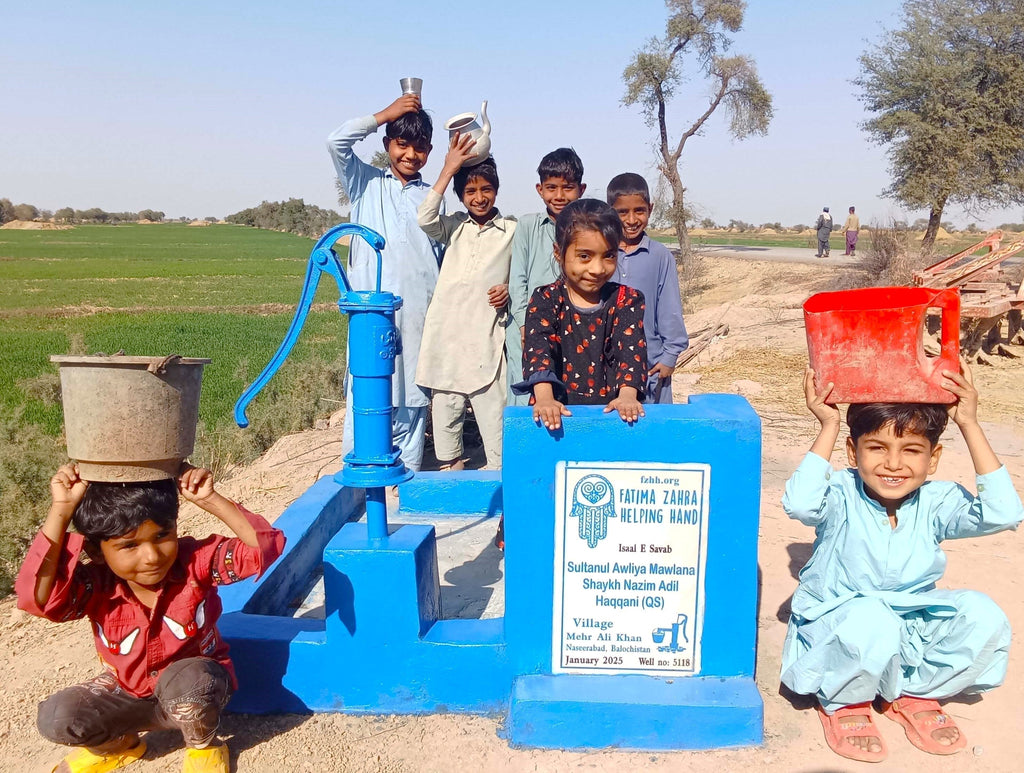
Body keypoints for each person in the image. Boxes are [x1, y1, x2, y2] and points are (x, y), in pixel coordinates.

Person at [781, 366, 1022, 763]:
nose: (893, 464)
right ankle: (844, 702)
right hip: (844, 627)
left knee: (984, 615)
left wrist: (970, 423)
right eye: (876, 448)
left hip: (904, 626)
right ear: (853, 452)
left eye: (911, 450)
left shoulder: (937, 501)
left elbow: (1002, 513)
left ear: (934, 457)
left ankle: (914, 694)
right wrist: (828, 423)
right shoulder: (841, 492)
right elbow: (800, 503)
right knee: (871, 618)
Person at [16, 464, 286, 773]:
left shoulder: (195, 564)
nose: (152, 556)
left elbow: (265, 549)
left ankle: (203, 747)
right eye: (129, 545)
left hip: (193, 691)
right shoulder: (95, 586)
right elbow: (36, 597)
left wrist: (210, 499)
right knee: (58, 717)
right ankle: (120, 746)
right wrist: (61, 510)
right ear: (97, 551)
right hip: (127, 692)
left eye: (162, 536)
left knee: (192, 679)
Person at [328, 93, 443, 474]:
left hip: (420, 310)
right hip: (372, 313)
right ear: (386, 145)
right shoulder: (365, 183)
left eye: (421, 147)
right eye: (402, 144)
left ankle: (403, 478)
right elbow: (336, 141)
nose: (411, 154)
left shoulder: (431, 198)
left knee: (413, 392)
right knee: (368, 390)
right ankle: (361, 479)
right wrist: (386, 114)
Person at [416, 133, 517, 470]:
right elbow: (425, 218)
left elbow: (525, 276)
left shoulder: (511, 230)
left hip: (486, 338)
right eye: (470, 192)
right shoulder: (454, 227)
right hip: (447, 337)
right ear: (460, 196)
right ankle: (451, 484)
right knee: (445, 413)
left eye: (485, 189)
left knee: (495, 415)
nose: (479, 197)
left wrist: (509, 290)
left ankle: (503, 498)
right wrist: (448, 170)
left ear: (497, 190)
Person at [513, 198, 647, 430]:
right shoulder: (546, 299)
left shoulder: (626, 301)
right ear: (558, 253)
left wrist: (627, 396)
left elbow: (631, 350)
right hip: (556, 416)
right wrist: (545, 399)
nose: (597, 269)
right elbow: (538, 349)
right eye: (584, 256)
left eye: (609, 256)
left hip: (610, 416)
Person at [506, 148, 586, 406]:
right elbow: (517, 281)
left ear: (581, 189)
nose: (559, 196)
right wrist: (524, 326)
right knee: (526, 399)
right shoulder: (528, 225)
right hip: (526, 329)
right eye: (551, 188)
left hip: (570, 327)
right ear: (540, 189)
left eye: (567, 187)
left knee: (563, 398)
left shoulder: (585, 228)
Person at [606, 173, 689, 403]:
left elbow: (669, 309)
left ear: (650, 209)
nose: (631, 220)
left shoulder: (660, 256)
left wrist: (670, 356)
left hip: (651, 367)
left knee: (652, 434)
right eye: (622, 212)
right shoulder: (600, 254)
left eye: (639, 211)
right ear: (609, 211)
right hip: (606, 366)